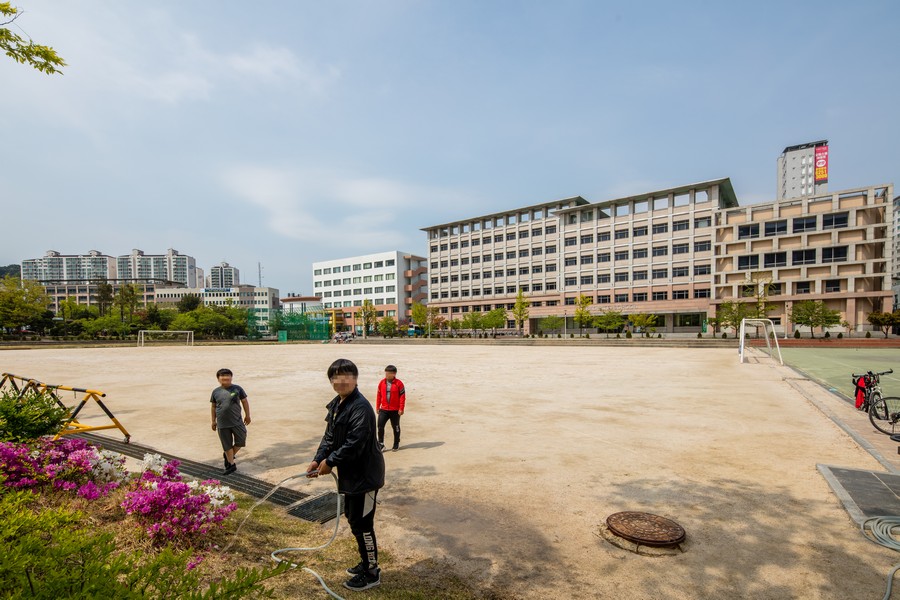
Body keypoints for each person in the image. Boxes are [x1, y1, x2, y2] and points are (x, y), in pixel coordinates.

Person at [307, 359, 385, 591]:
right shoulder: (338, 404)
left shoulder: (360, 407)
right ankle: (365, 562)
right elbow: (329, 437)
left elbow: (355, 443)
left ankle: (372, 572)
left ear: (355, 378)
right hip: (350, 474)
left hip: (365, 476)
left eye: (346, 376)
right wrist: (318, 458)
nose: (341, 381)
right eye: (336, 377)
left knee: (363, 524)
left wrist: (330, 462)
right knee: (353, 520)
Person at [210, 368, 251, 475]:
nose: (226, 378)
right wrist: (213, 421)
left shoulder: (237, 389)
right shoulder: (216, 391)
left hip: (237, 421)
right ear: (218, 378)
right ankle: (231, 465)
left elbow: (245, 401)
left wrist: (248, 415)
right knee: (227, 444)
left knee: (241, 439)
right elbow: (213, 406)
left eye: (228, 375)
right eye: (223, 376)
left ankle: (228, 455)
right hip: (222, 423)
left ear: (231, 377)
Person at [376, 365, 406, 452]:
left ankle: (396, 443)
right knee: (380, 426)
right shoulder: (382, 383)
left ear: (393, 374)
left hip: (395, 410)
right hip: (384, 409)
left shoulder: (399, 384)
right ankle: (381, 444)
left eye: (388, 373)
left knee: (395, 427)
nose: (386, 374)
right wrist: (378, 406)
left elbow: (402, 397)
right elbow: (379, 395)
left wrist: (401, 408)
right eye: (385, 372)